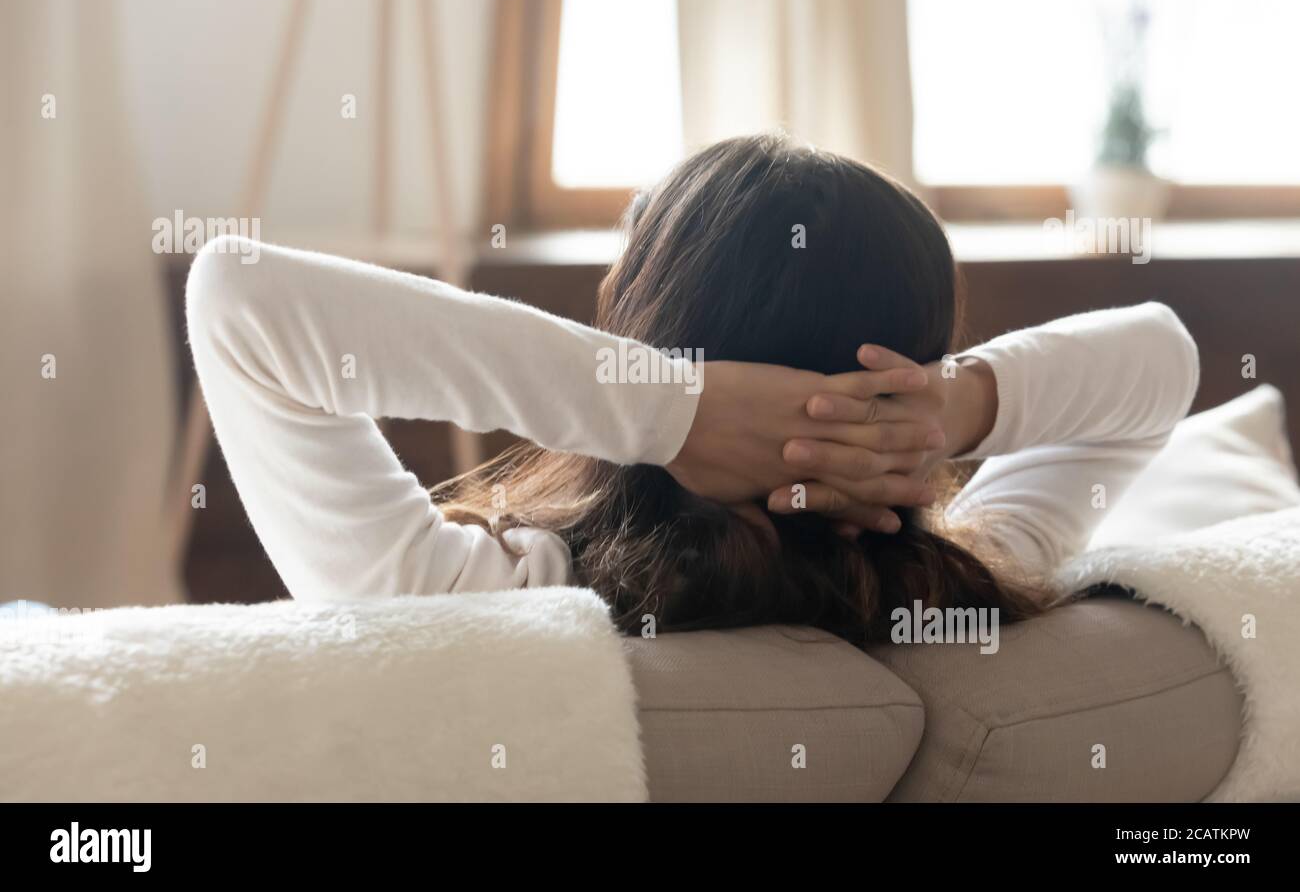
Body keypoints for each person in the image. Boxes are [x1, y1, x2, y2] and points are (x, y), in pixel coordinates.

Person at [187, 134, 1198, 643]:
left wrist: (668, 410)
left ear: (642, 316)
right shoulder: (960, 588)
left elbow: (239, 296)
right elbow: (1161, 358)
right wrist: (956, 406)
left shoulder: (494, 600)